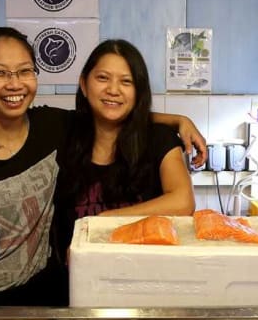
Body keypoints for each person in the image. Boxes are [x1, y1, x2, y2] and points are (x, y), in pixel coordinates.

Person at [0, 27, 205, 310]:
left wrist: (178, 120)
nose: (14, 84)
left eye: (23, 71)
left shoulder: (50, 126)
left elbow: (114, 114)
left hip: (46, 307)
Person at [53, 39, 195, 267]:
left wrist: (102, 221)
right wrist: (177, 118)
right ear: (83, 83)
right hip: (74, 282)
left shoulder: (159, 139)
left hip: (145, 276)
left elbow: (183, 202)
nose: (113, 89)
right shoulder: (63, 133)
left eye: (126, 82)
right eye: (102, 78)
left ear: (138, 91)